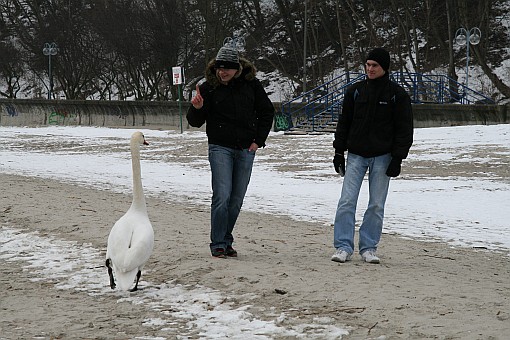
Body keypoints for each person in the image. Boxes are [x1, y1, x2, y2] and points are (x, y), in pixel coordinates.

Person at [186, 40, 275, 259]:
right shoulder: (208, 88)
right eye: (219, 67)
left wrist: (258, 141)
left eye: (226, 68)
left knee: (236, 199)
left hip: (246, 148)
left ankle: (226, 239)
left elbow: (267, 112)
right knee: (222, 195)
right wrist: (196, 108)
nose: (222, 72)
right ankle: (218, 243)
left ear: (237, 69)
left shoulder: (251, 85)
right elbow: (194, 121)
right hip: (220, 148)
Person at [331, 47, 413, 264]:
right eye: (367, 65)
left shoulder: (397, 95)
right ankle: (343, 246)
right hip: (356, 154)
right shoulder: (355, 92)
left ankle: (368, 248)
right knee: (347, 201)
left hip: (383, 156)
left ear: (384, 67)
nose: (370, 69)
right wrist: (339, 151)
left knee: (376, 204)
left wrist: (398, 158)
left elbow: (404, 129)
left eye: (374, 65)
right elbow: (344, 123)